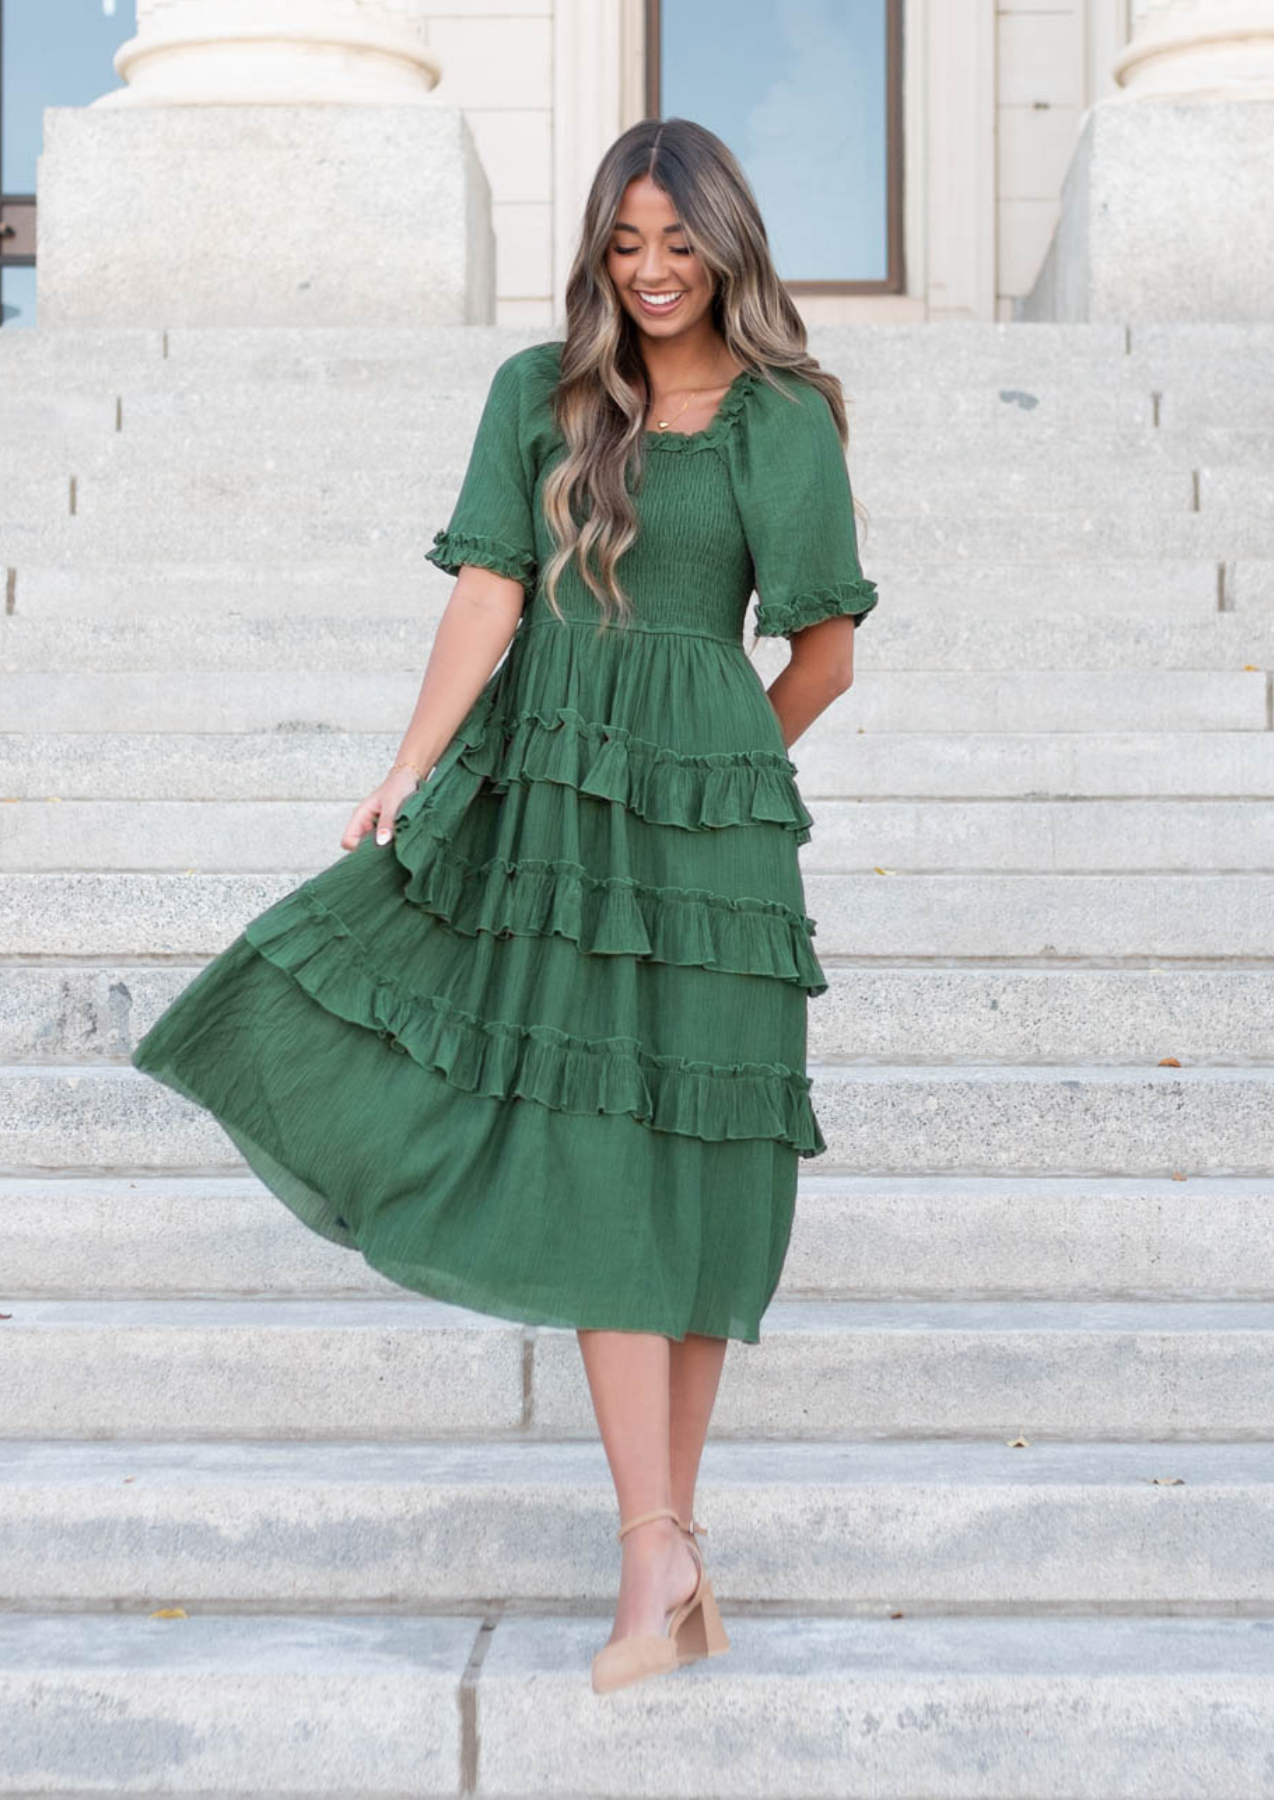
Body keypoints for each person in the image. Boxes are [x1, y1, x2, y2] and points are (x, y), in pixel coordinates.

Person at [130, 115, 878, 1696]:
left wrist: (709, 780)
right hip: (540, 816)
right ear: (595, 251)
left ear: (729, 246)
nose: (653, 272)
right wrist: (406, 770)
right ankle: (650, 1555)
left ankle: (671, 1544)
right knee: (601, 1161)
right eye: (625, 244)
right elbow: (488, 592)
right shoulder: (534, 400)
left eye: (679, 243)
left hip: (709, 845)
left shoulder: (782, 423)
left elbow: (819, 652)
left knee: (699, 1167)